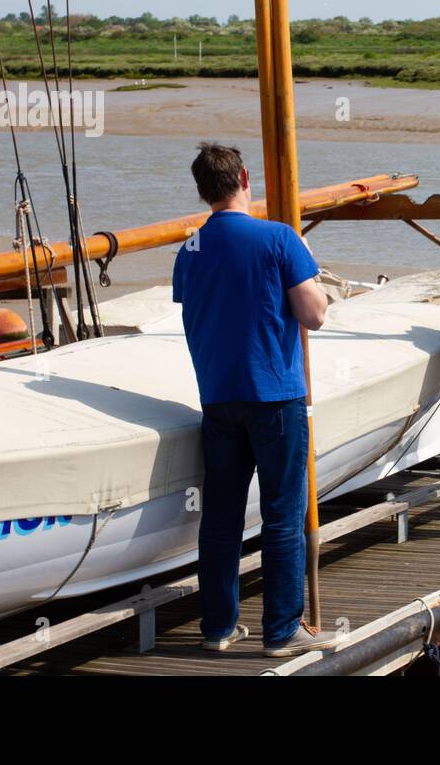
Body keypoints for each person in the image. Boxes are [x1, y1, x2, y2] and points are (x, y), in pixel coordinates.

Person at [172, 142, 339, 658]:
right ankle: (281, 630)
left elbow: (196, 306)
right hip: (275, 396)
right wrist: (315, 283)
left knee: (221, 516)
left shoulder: (190, 248)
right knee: (282, 515)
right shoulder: (279, 237)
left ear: (203, 189)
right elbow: (314, 315)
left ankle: (218, 626)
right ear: (245, 178)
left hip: (218, 398)